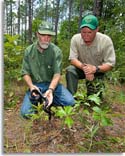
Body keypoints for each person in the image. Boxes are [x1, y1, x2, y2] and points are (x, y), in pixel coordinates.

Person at [20, 21, 75, 118]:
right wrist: (31, 86)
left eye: (49, 36)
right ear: (37, 34)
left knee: (70, 102)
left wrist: (50, 89)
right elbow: (25, 72)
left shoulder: (56, 51)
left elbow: (57, 74)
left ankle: (47, 99)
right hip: (36, 86)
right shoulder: (29, 51)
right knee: (25, 113)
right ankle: (40, 100)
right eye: (43, 35)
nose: (46, 38)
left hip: (53, 85)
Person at [66, 14, 116, 98]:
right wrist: (85, 68)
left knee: (95, 100)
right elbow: (72, 59)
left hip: (98, 70)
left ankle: (92, 94)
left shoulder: (105, 41)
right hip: (81, 68)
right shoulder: (75, 39)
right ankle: (70, 99)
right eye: (83, 32)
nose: (86, 35)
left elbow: (110, 65)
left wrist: (95, 69)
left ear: (97, 30)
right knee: (70, 70)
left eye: (89, 32)